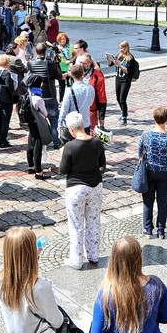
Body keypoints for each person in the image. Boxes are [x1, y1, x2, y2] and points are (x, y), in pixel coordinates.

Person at [59, 111, 106, 270]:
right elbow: (102, 163)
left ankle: (77, 260)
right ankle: (93, 255)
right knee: (93, 221)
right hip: (95, 186)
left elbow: (63, 170)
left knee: (76, 225)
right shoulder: (97, 142)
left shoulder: (70, 146)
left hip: (76, 188)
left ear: (71, 129)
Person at [139, 107, 167, 239]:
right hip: (165, 172)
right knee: (163, 201)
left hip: (149, 171)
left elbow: (140, 153)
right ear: (166, 120)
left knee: (148, 201)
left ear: (154, 118)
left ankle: (148, 229)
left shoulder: (146, 135)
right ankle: (161, 230)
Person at [26, 42, 62, 149]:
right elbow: (59, 76)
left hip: (37, 95)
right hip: (50, 95)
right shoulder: (50, 64)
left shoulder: (31, 63)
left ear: (35, 52)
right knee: (54, 120)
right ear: (45, 52)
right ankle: (56, 141)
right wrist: (56, 63)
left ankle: (41, 140)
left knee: (39, 120)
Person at [22, 75, 51, 180]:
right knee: (37, 147)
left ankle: (31, 166)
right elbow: (45, 113)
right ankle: (39, 171)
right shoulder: (38, 98)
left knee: (30, 143)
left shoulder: (28, 94)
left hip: (30, 122)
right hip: (37, 123)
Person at [57, 64, 95, 134]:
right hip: (85, 122)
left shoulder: (69, 90)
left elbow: (64, 109)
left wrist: (60, 122)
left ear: (72, 75)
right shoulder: (90, 88)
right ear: (83, 73)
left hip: (73, 124)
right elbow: (91, 103)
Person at [109, 41, 136, 126]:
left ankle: (124, 116)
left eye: (122, 48)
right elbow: (110, 64)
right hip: (118, 79)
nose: (120, 50)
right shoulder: (119, 56)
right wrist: (108, 59)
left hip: (126, 80)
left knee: (122, 99)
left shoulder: (130, 58)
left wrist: (119, 64)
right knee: (118, 98)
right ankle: (123, 111)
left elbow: (126, 70)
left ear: (126, 48)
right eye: (120, 48)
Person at [0, 54, 16, 149]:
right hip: (6, 98)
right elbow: (10, 88)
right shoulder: (6, 73)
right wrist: (14, 86)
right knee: (5, 120)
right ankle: (3, 141)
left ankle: (0, 138)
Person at [80, 52, 107, 131]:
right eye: (80, 62)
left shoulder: (97, 76)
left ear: (90, 63)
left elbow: (102, 97)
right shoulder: (78, 72)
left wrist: (101, 117)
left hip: (91, 110)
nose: (81, 65)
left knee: (91, 132)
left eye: (84, 63)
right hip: (78, 108)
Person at [56, 31, 72, 101]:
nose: (62, 40)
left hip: (69, 68)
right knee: (61, 86)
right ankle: (61, 100)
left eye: (64, 39)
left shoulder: (70, 46)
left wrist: (70, 60)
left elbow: (75, 55)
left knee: (70, 84)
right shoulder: (57, 48)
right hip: (60, 68)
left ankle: (70, 99)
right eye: (61, 39)